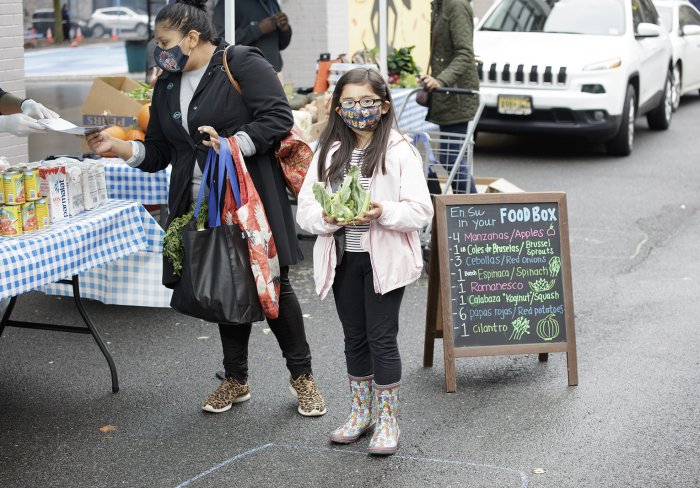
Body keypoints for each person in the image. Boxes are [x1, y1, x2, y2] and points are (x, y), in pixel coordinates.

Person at [86, 0, 326, 418]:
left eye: (165, 42)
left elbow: (277, 119)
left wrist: (231, 145)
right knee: (223, 281)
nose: (159, 51)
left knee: (273, 285)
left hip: (249, 197)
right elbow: (161, 150)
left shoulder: (241, 62)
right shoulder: (166, 83)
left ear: (192, 37)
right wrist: (119, 147)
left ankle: (302, 378)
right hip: (198, 204)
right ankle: (236, 379)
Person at [296, 68, 434, 455]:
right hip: (344, 260)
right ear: (338, 108)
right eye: (350, 103)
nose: (359, 109)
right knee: (354, 338)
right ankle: (360, 414)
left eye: (367, 101)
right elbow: (305, 207)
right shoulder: (328, 151)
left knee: (381, 339)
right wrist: (326, 218)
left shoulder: (399, 150)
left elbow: (421, 210)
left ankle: (388, 421)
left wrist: (382, 212)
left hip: (384, 262)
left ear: (384, 105)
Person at [419, 0, 479, 194]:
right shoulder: (440, 5)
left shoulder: (456, 5)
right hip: (448, 95)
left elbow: (464, 52)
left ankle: (475, 212)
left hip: (457, 95)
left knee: (452, 159)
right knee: (452, 159)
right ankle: (469, 211)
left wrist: (441, 80)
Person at [212, 0, 291, 73]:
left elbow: (281, 45)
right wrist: (258, 29)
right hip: (247, 76)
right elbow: (220, 42)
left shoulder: (272, 2)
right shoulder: (229, 3)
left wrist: (285, 29)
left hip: (275, 73)